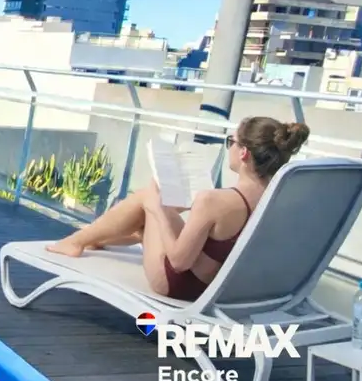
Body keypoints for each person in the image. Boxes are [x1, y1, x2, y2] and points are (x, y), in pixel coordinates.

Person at [45, 117, 310, 300]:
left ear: (244, 153)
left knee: (147, 198)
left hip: (182, 286)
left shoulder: (215, 201)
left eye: (232, 141)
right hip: (226, 287)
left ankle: (76, 241)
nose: (230, 146)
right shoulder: (284, 202)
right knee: (147, 221)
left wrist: (159, 208)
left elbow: (178, 263)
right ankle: (93, 239)